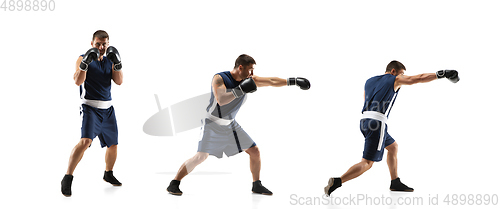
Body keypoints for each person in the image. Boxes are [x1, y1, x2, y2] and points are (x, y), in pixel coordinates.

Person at [167, 54, 310, 196]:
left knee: (254, 151)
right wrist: (240, 90)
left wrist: (294, 81)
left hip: (230, 125)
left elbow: (271, 81)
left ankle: (256, 185)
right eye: (250, 69)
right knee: (201, 157)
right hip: (212, 123)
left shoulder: (249, 79)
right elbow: (221, 99)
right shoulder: (220, 78)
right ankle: (174, 183)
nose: (252, 73)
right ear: (240, 67)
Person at [324, 60, 459, 196]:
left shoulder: (369, 81)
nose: (402, 77)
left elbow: (366, 100)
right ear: (393, 71)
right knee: (367, 163)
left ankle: (395, 182)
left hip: (364, 121)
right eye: (401, 74)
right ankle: (338, 181)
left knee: (393, 147)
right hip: (377, 124)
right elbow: (417, 78)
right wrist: (441, 74)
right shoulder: (395, 79)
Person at [61, 30, 124, 197]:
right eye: (98, 44)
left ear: (108, 44)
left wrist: (117, 64)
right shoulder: (82, 58)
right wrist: (84, 65)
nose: (101, 47)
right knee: (85, 141)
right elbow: (77, 81)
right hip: (90, 108)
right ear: (92, 44)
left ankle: (108, 173)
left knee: (113, 144)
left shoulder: (110, 60)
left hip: (108, 109)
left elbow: (119, 81)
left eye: (104, 44)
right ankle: (67, 177)